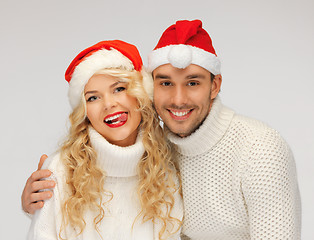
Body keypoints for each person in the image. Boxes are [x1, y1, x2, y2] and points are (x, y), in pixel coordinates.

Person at [22, 20, 301, 239]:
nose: (178, 100)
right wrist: (34, 204)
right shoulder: (162, 151)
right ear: (150, 89)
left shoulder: (257, 149)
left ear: (214, 85)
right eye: (166, 83)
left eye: (192, 82)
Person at [26, 40, 183, 240]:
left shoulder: (166, 168)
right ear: (85, 113)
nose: (109, 104)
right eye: (93, 97)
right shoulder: (61, 170)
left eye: (119, 89)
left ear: (140, 94)